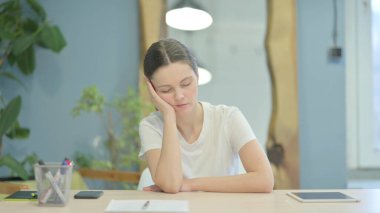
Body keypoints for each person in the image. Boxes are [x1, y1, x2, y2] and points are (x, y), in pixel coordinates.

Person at [139, 38, 274, 193]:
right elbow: (171, 185)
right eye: (165, 90)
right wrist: (169, 116)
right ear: (152, 90)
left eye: (186, 84)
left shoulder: (228, 118)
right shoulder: (150, 126)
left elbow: (265, 180)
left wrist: (190, 184)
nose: (179, 96)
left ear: (197, 76)